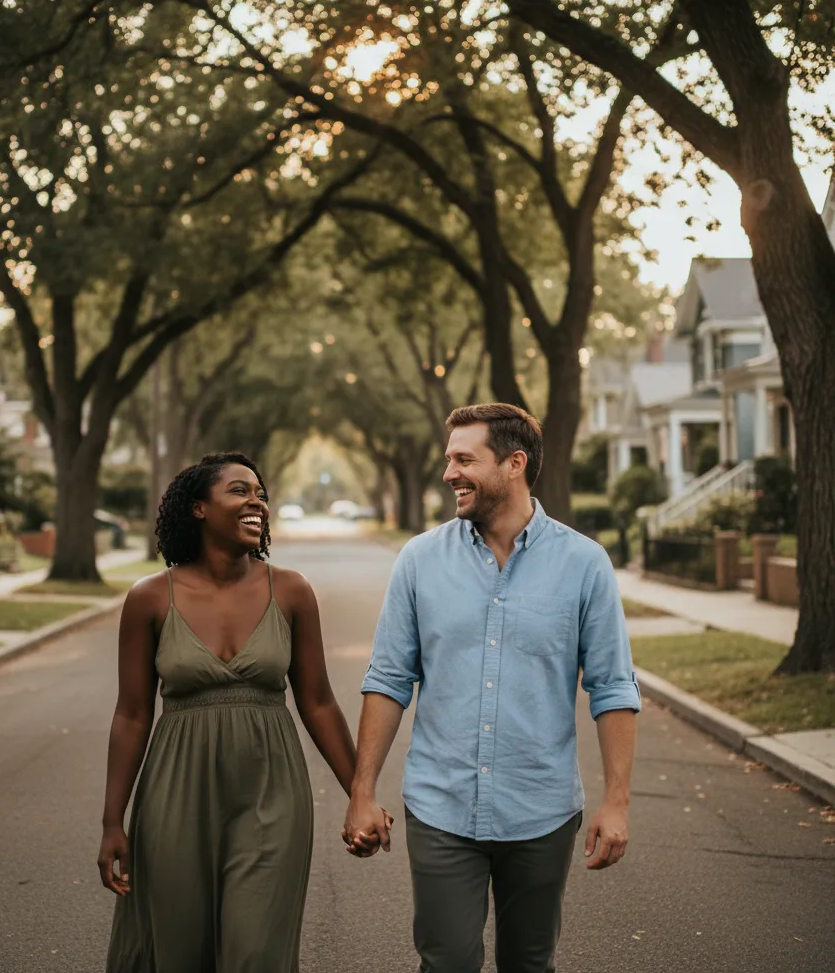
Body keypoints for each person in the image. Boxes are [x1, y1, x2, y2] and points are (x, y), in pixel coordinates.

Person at [343, 403, 641, 973]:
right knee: (447, 960)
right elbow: (387, 679)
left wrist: (616, 801)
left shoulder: (584, 564)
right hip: (441, 804)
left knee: (529, 963)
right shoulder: (420, 559)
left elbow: (611, 687)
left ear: (514, 464)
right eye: (448, 459)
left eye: (464, 459)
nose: (449, 472)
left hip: (542, 809)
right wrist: (362, 790)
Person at [99, 452, 383, 972]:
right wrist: (112, 821)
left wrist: (359, 795)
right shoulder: (149, 599)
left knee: (257, 954)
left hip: (271, 793)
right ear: (199, 509)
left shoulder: (291, 591)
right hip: (174, 794)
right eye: (239, 491)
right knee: (180, 952)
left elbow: (317, 701)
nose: (256, 502)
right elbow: (132, 714)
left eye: (261, 494)